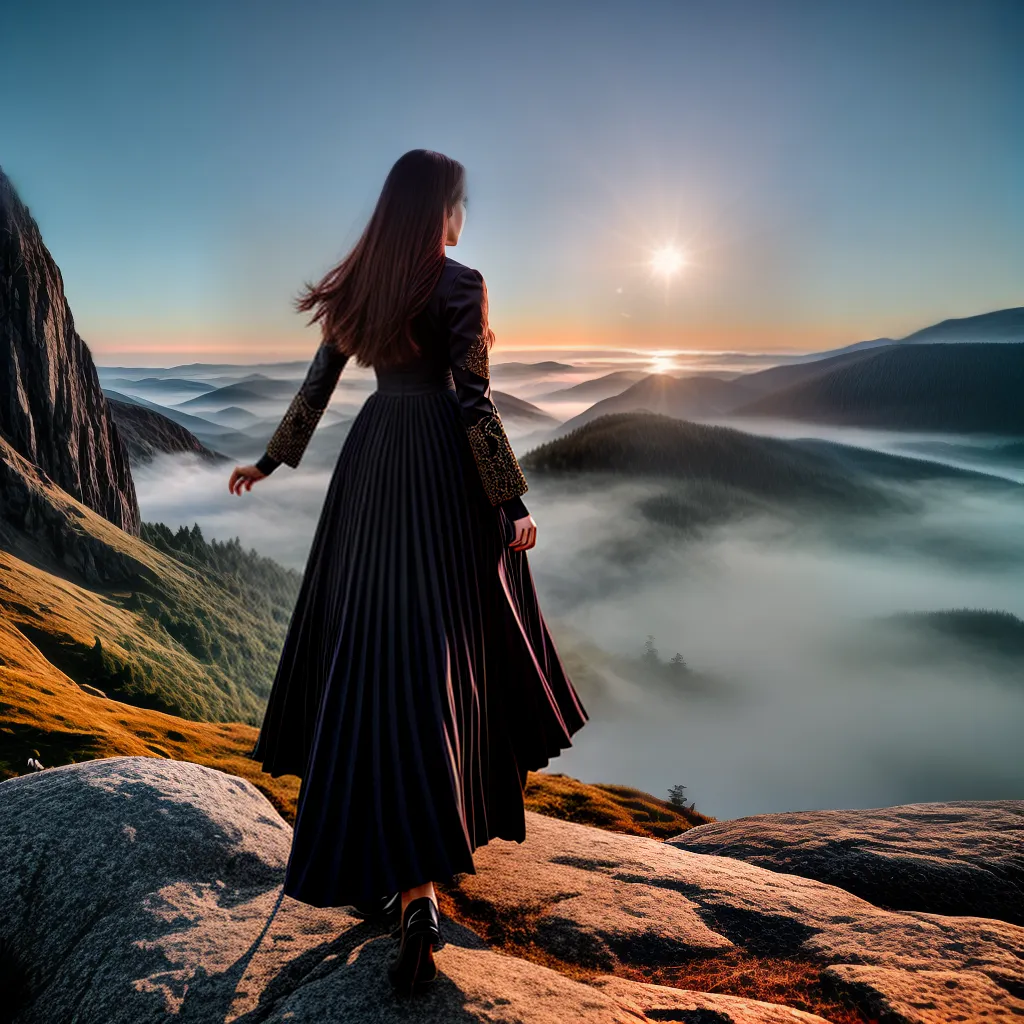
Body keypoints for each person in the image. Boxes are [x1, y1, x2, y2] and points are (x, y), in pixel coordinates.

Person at [229, 149, 588, 995]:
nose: (463, 219)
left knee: (371, 655)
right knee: (442, 660)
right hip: (440, 474)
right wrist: (511, 502)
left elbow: (318, 387)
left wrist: (269, 462)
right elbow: (473, 400)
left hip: (373, 463)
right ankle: (424, 877)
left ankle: (395, 873)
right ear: (440, 210)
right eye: (459, 205)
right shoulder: (461, 283)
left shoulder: (362, 283)